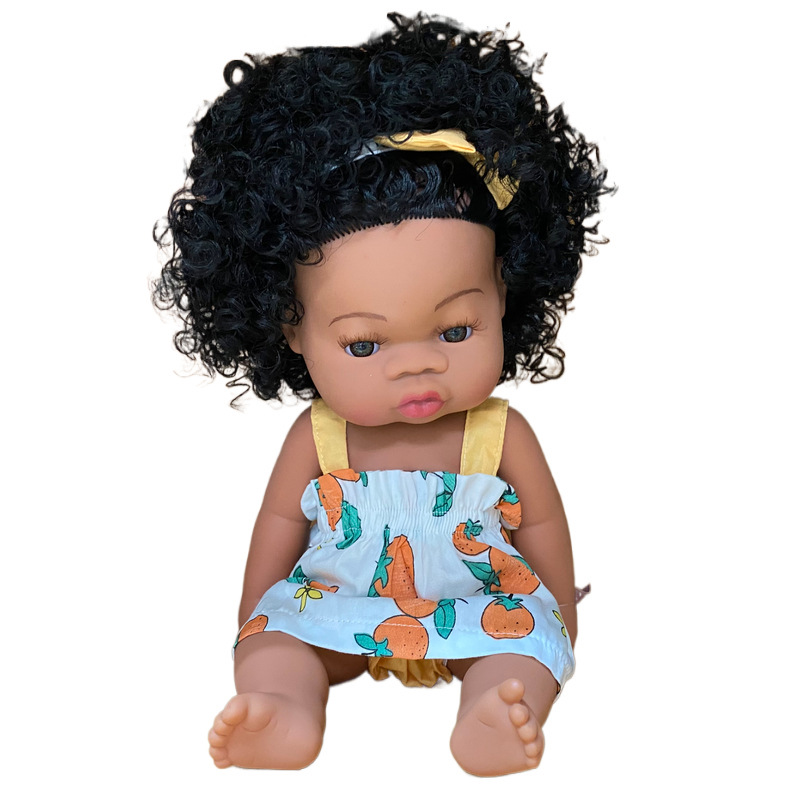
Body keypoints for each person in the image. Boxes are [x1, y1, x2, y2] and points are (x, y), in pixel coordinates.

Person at [153, 12, 610, 776]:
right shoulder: (319, 436)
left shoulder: (499, 433)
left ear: (503, 295)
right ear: (291, 328)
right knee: (283, 643)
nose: (417, 366)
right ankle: (284, 704)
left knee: (523, 646)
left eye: (456, 330)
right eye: (365, 345)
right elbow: (277, 525)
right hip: (343, 608)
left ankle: (497, 708)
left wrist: (558, 616)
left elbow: (542, 523)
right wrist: (255, 621)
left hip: (478, 610)